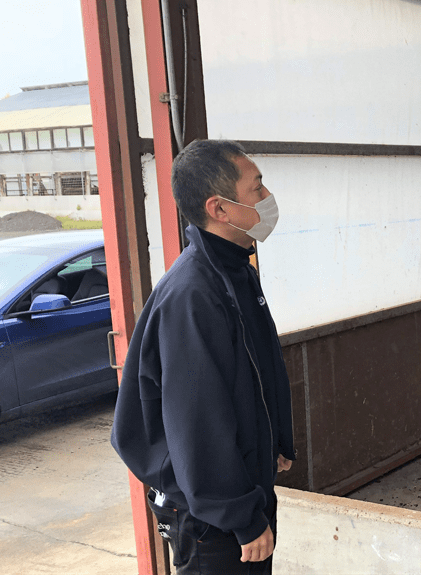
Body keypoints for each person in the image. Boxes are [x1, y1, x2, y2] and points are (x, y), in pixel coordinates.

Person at [111, 139, 295, 573]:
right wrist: (241, 518)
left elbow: (254, 373)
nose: (268, 199)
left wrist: (275, 443)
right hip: (210, 516)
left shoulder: (234, 271)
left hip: (242, 488)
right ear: (220, 208)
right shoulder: (194, 295)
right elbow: (198, 421)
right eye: (257, 189)